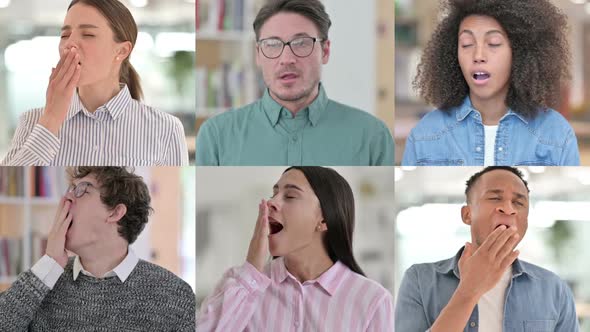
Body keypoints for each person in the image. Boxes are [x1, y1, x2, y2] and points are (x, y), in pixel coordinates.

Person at [196, 0, 394, 166]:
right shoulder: (216, 136)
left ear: (325, 51)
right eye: (272, 45)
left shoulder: (372, 137)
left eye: (301, 43)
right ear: (258, 55)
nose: (286, 59)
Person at [196, 167, 394, 331]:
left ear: (324, 219)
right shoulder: (237, 285)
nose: (271, 202)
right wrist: (252, 272)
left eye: (290, 196)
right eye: (274, 193)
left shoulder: (373, 301)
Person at [0, 167, 195, 331]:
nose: (66, 200)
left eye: (82, 190)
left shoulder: (175, 296)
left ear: (116, 212)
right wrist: (50, 261)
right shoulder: (40, 283)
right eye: (70, 189)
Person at [1, 0, 188, 166]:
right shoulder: (31, 122)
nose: (70, 44)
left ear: (122, 51)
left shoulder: (166, 130)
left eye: (88, 34)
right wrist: (50, 120)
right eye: (65, 35)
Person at [395, 166, 579, 331]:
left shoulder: (554, 288)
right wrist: (469, 290)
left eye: (519, 203)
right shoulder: (420, 280)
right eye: (495, 198)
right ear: (467, 214)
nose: (508, 209)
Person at [402, 0, 579, 166]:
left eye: (493, 43)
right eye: (466, 44)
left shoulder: (556, 133)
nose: (478, 56)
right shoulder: (425, 134)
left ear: (520, 53)